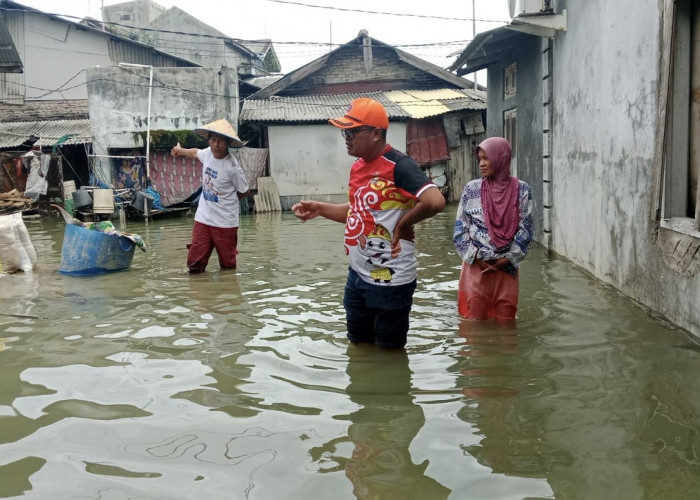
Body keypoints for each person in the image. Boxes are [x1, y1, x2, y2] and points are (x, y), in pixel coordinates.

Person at [292, 97, 445, 349]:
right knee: (358, 346)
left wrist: (404, 223)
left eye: (352, 132)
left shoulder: (399, 165)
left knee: (389, 353)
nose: (347, 138)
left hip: (390, 280)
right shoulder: (358, 168)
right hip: (357, 277)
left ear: (375, 133)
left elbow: (434, 201)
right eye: (345, 133)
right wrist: (320, 208)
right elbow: (357, 213)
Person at [453, 137, 533, 320]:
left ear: (501, 158)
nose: (481, 164)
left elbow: (526, 231)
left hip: (507, 268)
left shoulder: (522, 190)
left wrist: (506, 259)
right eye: (479, 159)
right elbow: (460, 230)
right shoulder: (471, 189)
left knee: (506, 320)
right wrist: (477, 258)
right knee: (474, 322)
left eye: (486, 158)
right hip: (476, 267)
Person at [171, 119, 249, 273]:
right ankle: (199, 293)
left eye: (220, 141)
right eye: (213, 140)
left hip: (225, 223)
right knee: (194, 265)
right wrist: (180, 151)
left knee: (228, 267)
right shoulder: (208, 154)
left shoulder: (232, 168)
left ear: (227, 143)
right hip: (204, 219)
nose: (215, 145)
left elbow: (244, 191)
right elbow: (195, 153)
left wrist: (226, 203)